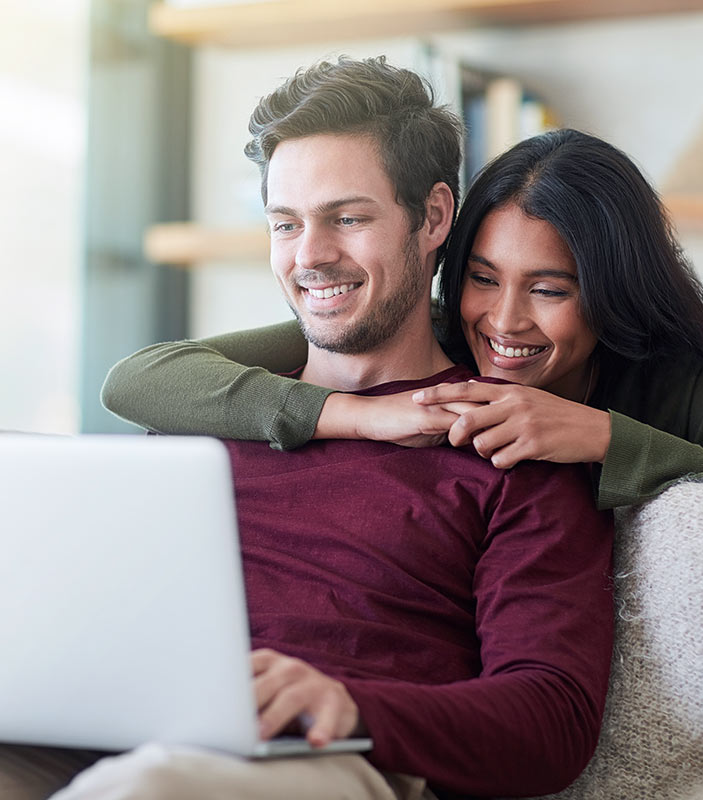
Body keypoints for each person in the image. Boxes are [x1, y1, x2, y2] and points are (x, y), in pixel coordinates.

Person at [2, 58, 615, 800]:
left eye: (347, 218)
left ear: (432, 218)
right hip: (96, 732)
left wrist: (352, 704)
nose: (310, 255)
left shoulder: (509, 442)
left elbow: (553, 721)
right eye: (285, 224)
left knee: (150, 787)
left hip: (320, 757)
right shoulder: (202, 424)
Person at [101, 133, 703, 510]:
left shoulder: (678, 378)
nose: (503, 321)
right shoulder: (428, 331)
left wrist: (603, 437)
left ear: (613, 292)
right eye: (483, 278)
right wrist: (358, 414)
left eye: (549, 290)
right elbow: (142, 381)